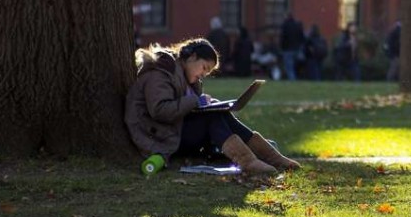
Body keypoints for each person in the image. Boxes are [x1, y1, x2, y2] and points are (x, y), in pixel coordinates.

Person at [125, 38, 299, 176]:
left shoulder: (181, 73)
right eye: (204, 68)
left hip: (170, 130)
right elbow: (160, 111)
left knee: (219, 113)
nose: (203, 74)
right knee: (212, 117)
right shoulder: (161, 71)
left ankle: (273, 158)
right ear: (192, 57)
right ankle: (248, 161)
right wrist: (196, 102)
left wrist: (206, 104)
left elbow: (182, 107)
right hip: (158, 137)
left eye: (207, 72)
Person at [279, 12, 306, 81]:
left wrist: (281, 47)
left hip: (287, 49)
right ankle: (296, 78)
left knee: (289, 66)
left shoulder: (285, 25)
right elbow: (302, 37)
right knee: (295, 66)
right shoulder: (297, 25)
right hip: (296, 49)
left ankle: (292, 80)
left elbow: (282, 38)